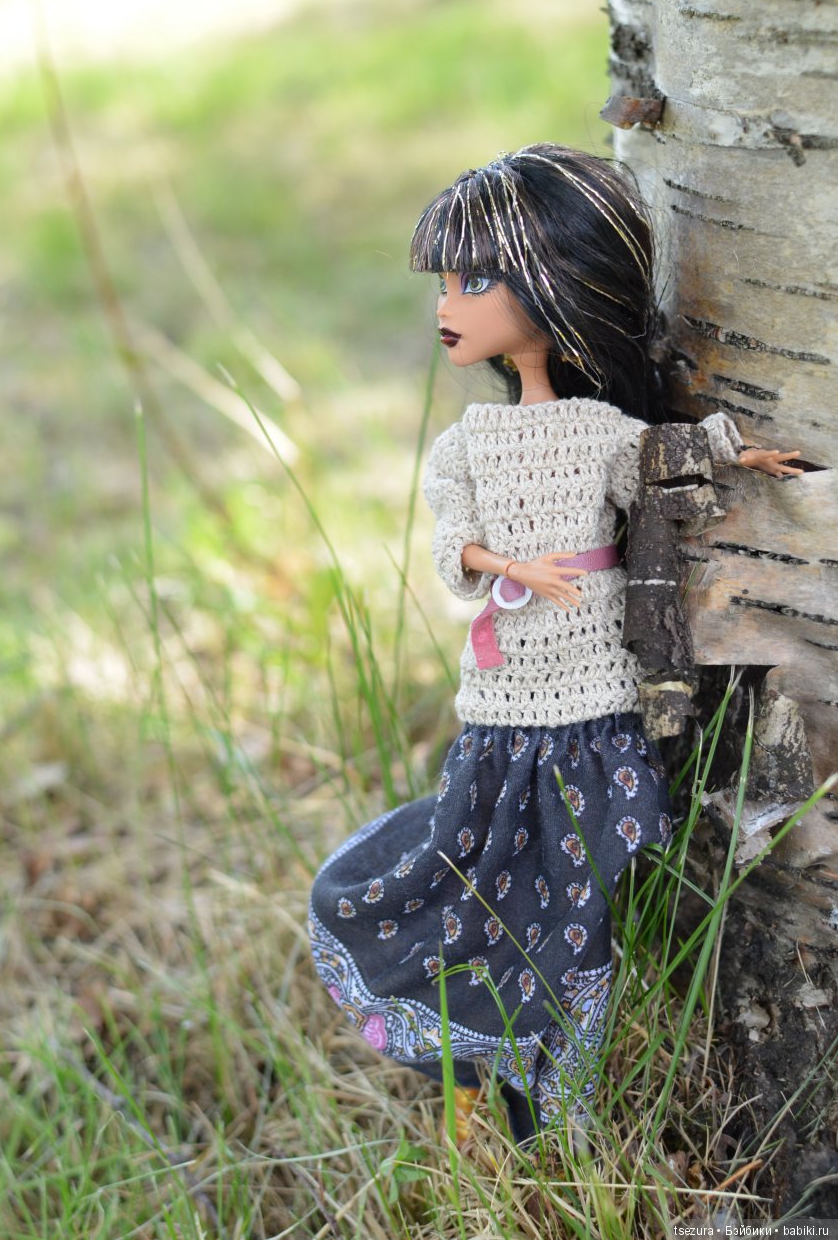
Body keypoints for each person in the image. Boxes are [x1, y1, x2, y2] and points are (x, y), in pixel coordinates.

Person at [308, 144, 802, 1147]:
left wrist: (737, 447)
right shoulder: (466, 445)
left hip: (596, 695)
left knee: (580, 893)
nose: (447, 305)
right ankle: (476, 1045)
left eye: (474, 282)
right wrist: (511, 567)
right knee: (486, 859)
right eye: (444, 284)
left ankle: (556, 1089)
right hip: (508, 698)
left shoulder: (599, 427)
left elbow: (655, 457)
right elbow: (452, 548)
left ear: (554, 288)